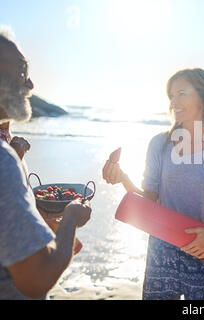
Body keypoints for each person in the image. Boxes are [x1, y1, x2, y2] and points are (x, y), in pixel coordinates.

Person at [102, 68, 204, 300]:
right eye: (171, 95)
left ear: (203, 96)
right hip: (161, 253)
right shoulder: (160, 144)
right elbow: (150, 201)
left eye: (181, 93)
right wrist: (123, 179)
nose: (173, 102)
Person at [0, 30, 91, 299]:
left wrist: (33, 213)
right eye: (21, 70)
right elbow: (38, 278)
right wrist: (71, 218)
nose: (30, 84)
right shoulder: (4, 160)